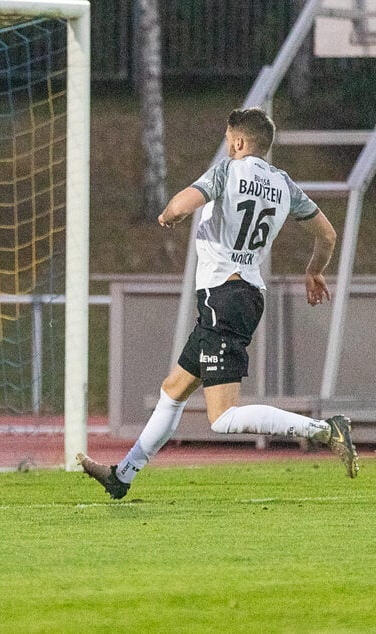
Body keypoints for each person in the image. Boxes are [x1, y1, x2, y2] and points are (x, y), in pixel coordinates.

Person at [78, 107, 358, 500]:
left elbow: (181, 205)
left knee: (223, 418)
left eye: (229, 141)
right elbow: (327, 235)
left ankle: (326, 430)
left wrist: (168, 215)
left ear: (239, 142)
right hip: (245, 295)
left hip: (223, 297)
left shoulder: (229, 170)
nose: (228, 147)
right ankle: (122, 476)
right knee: (173, 390)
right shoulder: (283, 184)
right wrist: (313, 271)